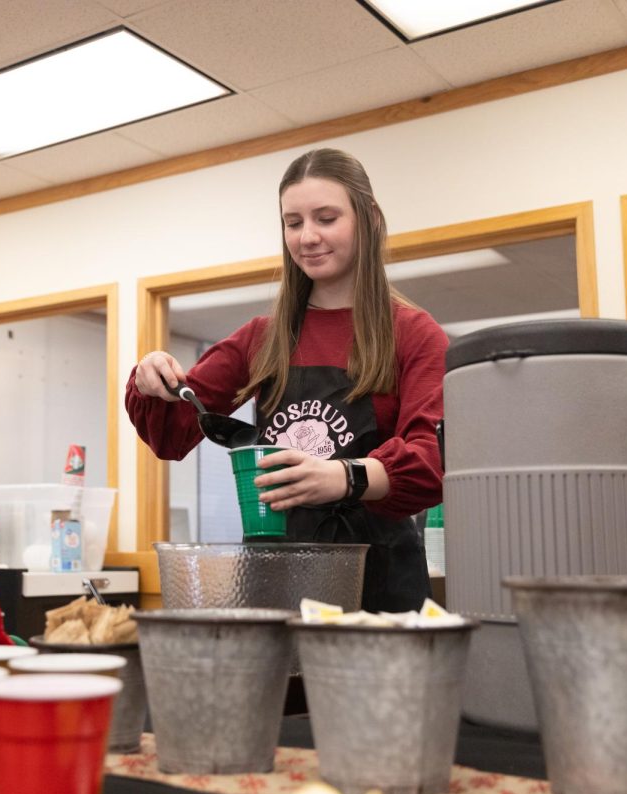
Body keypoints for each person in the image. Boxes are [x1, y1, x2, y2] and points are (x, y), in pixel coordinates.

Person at [126, 148, 447, 612]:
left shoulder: (414, 334)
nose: (308, 236)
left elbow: (429, 462)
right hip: (277, 581)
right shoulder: (263, 338)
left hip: (378, 586)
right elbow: (172, 433)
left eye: (326, 217)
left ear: (370, 219)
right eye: (293, 222)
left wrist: (343, 476)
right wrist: (149, 377)